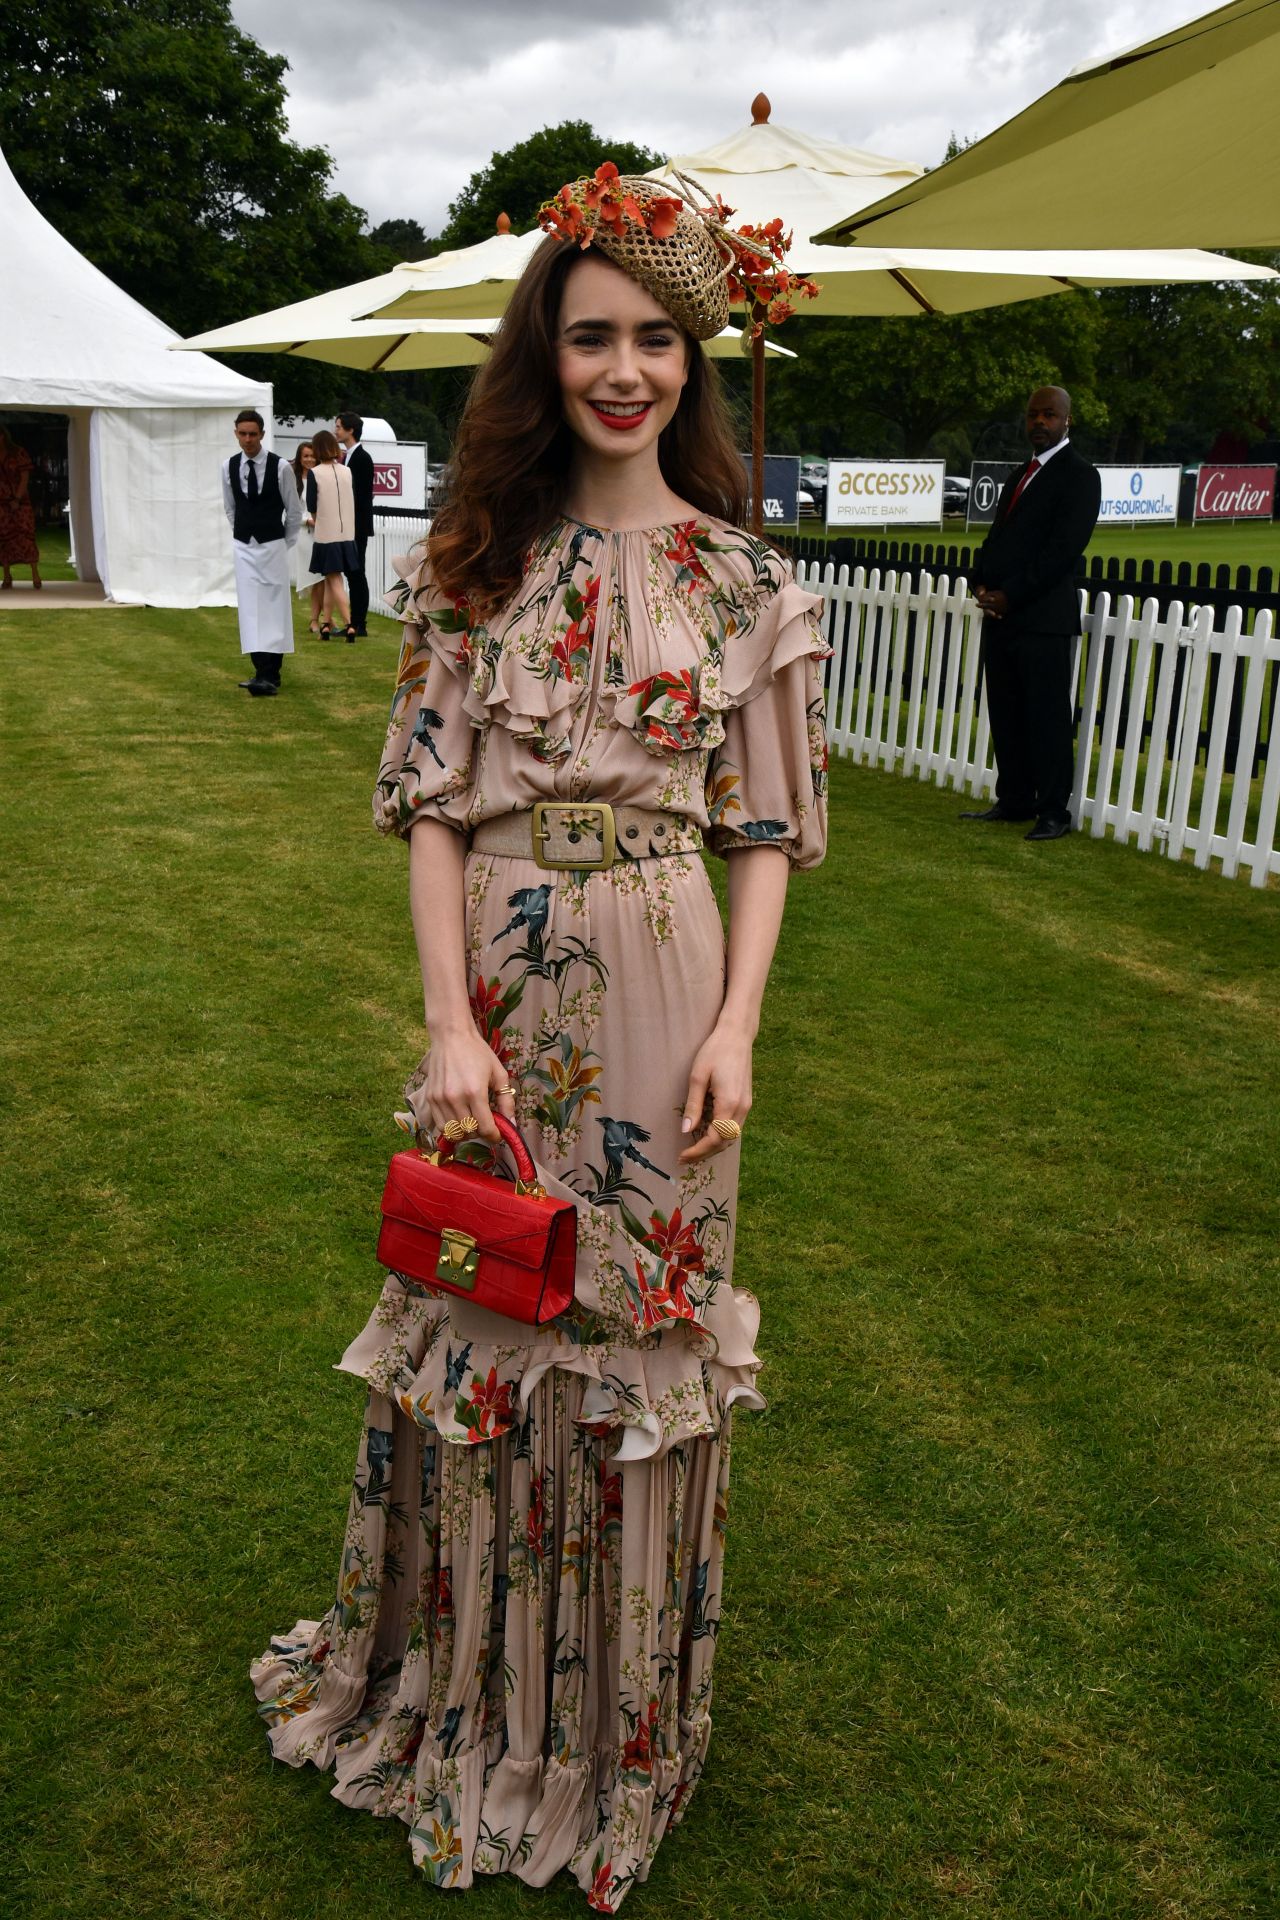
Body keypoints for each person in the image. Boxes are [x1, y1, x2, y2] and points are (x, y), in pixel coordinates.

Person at [250, 170, 830, 1910]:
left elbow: (766, 832)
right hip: (497, 987)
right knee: (483, 1306)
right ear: (544, 353)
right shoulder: (468, 565)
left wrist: (738, 1023)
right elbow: (432, 809)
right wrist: (443, 1021)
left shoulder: (743, 583)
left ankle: (612, 1732)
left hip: (664, 985)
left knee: (633, 1336)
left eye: (657, 338)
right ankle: (465, 1692)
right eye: (593, 336)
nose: (625, 369)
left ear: (693, 360)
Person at [963, 386, 1101, 841]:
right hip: (1001, 617)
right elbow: (997, 538)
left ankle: (1054, 812)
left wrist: (1012, 595)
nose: (1039, 422)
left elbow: (1062, 551)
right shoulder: (1020, 474)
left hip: (1043, 619)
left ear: (1067, 420)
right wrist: (980, 581)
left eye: (1049, 415)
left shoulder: (1080, 476)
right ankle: (1015, 799)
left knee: (1046, 718)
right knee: (1006, 713)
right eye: (1032, 415)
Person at [222, 409, 301, 696]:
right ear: (236, 433)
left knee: (274, 608)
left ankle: (272, 674)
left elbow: (294, 511)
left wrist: (283, 542)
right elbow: (230, 507)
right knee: (250, 608)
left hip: (272, 546)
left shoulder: (280, 467)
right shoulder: (228, 467)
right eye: (242, 434)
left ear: (262, 434)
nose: (247, 440)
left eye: (252, 434)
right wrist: (243, 532)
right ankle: (259, 671)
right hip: (244, 545)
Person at [305, 430, 358, 640]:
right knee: (330, 579)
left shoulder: (315, 473)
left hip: (326, 534)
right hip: (346, 533)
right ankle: (326, 624)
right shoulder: (347, 471)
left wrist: (318, 520)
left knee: (334, 580)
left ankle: (349, 624)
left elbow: (311, 505)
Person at [335, 410, 375, 635]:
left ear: (350, 430)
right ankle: (356, 621)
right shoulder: (348, 456)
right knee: (353, 573)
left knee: (357, 573)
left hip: (357, 526)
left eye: (339, 426)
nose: (336, 430)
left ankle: (359, 623)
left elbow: (360, 495)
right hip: (350, 525)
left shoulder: (361, 457)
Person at [0, 425, 43, 590]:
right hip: (1, 504)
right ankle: (6, 576)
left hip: (20, 502)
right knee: (4, 538)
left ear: (3, 436)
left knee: (25, 536)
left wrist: (17, 498)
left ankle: (35, 574)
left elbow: (25, 478)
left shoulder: (18, 453)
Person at [290, 440, 326, 633]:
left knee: (324, 579)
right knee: (314, 579)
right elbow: (290, 510)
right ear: (299, 458)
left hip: (324, 533)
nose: (309, 459)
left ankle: (323, 618)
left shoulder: (321, 477)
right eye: (305, 456)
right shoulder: (293, 481)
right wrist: (307, 520)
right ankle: (314, 619)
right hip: (305, 535)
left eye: (312, 455)